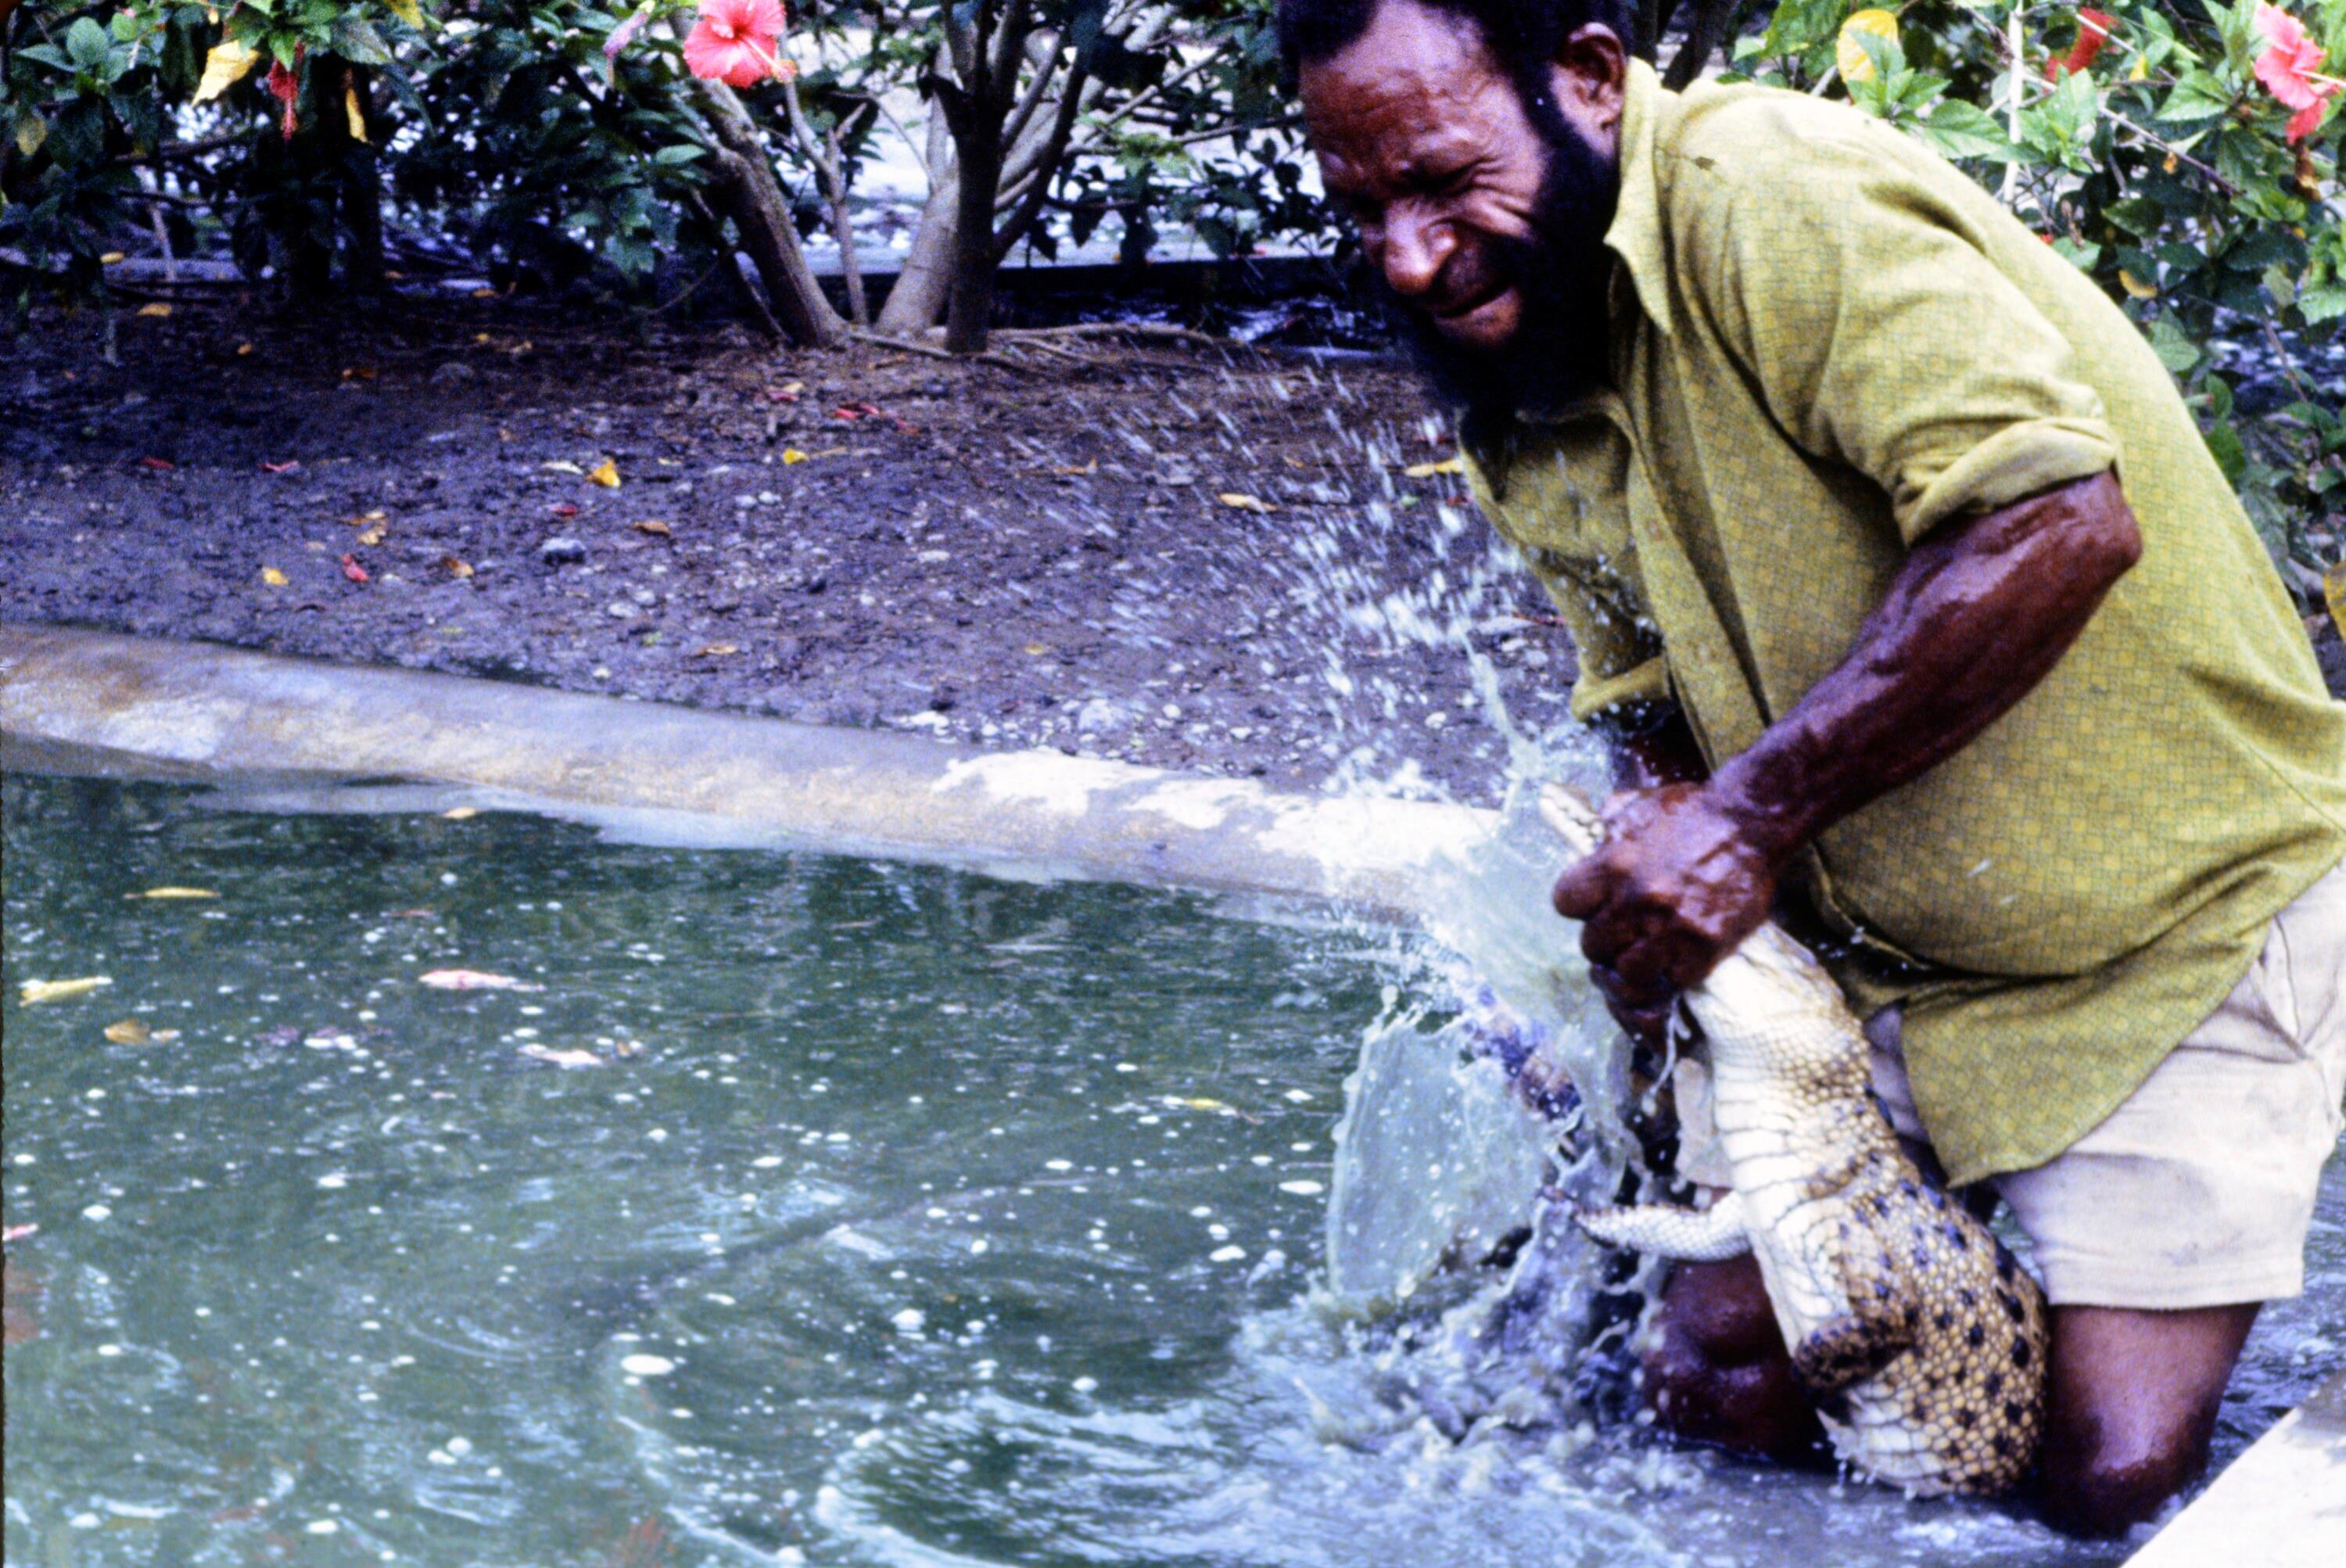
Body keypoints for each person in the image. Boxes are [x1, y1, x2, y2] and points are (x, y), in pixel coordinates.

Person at [1279, 0, 2346, 1537]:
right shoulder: (1525, 353)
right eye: (1362, 209)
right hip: (1876, 954)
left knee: (2106, 1480)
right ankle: (1944, 1248)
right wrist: (1637, 931)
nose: (1406, 257)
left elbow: (2057, 521)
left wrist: (1740, 823)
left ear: (1589, 79)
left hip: (2176, 926)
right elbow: (1651, 710)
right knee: (1712, 1386)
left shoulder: (1774, 200)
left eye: (1446, 182)